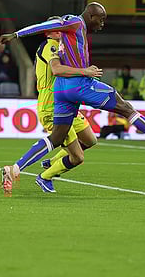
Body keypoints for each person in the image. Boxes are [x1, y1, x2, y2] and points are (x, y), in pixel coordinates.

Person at [0, 2, 145, 195]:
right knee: (126, 108)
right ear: (91, 16)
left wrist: (15, 35)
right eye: (101, 19)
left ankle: (15, 168)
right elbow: (47, 27)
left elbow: (56, 48)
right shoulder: (74, 23)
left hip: (61, 91)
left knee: (57, 138)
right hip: (79, 85)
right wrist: (15, 35)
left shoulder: (63, 41)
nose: (102, 23)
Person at [33, 17, 98, 192]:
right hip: (52, 105)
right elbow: (57, 70)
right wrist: (84, 71)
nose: (60, 31)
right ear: (47, 31)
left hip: (66, 103)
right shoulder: (50, 46)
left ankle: (52, 162)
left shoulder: (61, 47)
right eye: (56, 29)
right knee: (77, 157)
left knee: (90, 140)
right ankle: (44, 177)